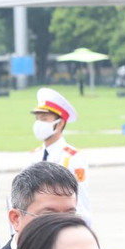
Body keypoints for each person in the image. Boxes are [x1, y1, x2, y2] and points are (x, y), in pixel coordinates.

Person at [30, 88, 91, 219]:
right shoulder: (34, 156)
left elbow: (81, 205)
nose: (39, 123)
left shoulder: (72, 158)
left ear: (60, 123)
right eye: (37, 118)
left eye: (44, 118)